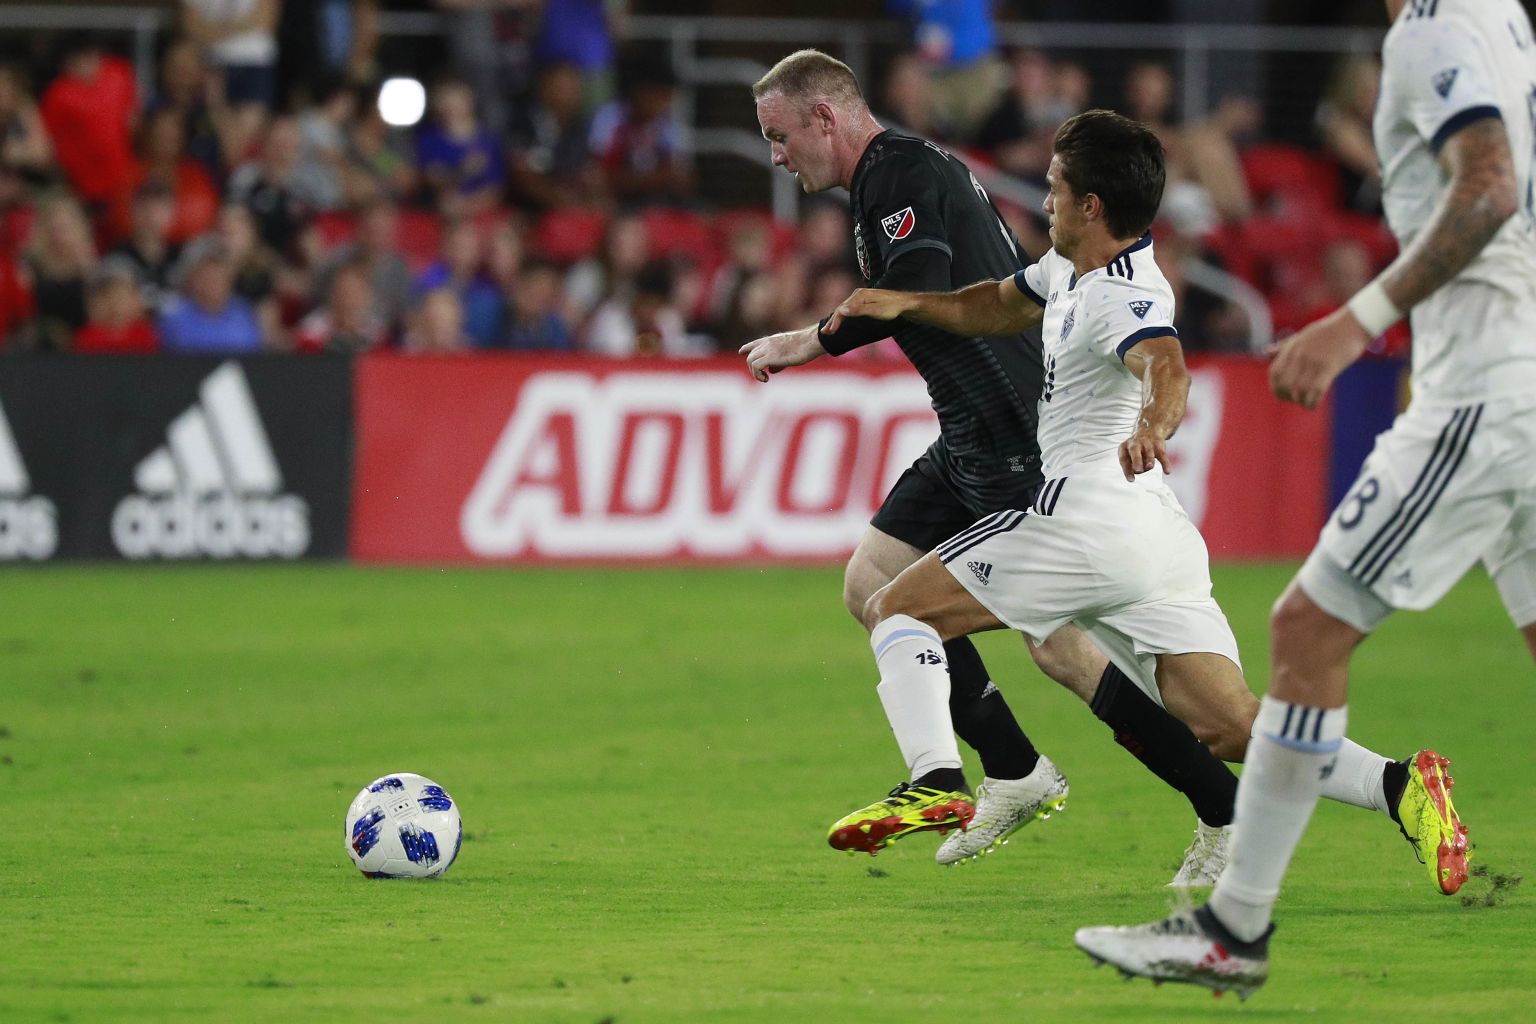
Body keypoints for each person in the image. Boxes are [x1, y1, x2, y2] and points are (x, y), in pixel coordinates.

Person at [1076, 0, 1534, 998]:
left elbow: (1491, 187)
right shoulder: (1499, 15)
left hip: (1485, 394)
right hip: (1518, 375)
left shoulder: (1432, 29)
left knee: (1306, 629)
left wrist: (1353, 320)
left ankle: (1233, 930)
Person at [743, 50, 1256, 875]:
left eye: (779, 135)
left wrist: (813, 339)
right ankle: (1015, 770)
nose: (776, 155)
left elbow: (915, 283)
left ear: (825, 117)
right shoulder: (890, 176)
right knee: (870, 583)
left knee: (1062, 652)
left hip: (1017, 430)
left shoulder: (898, 173)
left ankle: (1220, 807)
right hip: (968, 433)